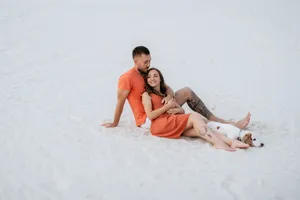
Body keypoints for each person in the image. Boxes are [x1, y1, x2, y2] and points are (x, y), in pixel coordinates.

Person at [101, 46, 251, 129]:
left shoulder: (148, 74)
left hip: (163, 106)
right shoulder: (126, 78)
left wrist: (168, 97)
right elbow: (120, 102)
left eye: (149, 61)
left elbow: (168, 89)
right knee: (193, 119)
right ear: (136, 61)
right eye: (146, 62)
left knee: (187, 91)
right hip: (150, 116)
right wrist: (115, 123)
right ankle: (229, 127)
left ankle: (218, 120)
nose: (148, 65)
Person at [142, 68, 249, 151]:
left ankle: (230, 142)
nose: (152, 79)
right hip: (159, 125)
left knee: (200, 129)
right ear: (147, 80)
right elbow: (150, 115)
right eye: (149, 77)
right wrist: (166, 107)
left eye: (155, 76)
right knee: (195, 116)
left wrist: (175, 109)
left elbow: (181, 111)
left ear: (160, 79)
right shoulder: (147, 95)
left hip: (170, 121)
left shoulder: (165, 94)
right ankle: (217, 143)